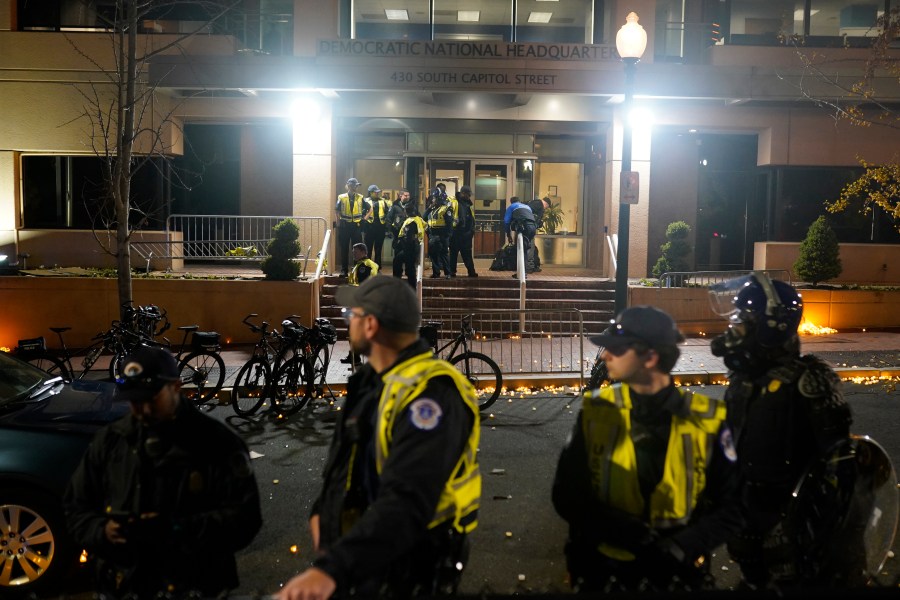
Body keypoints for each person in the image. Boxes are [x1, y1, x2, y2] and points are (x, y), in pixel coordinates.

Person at [276, 275, 481, 600]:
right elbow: (348, 461)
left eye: (351, 315)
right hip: (361, 556)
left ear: (370, 325)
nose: (348, 323)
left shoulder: (432, 394)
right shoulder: (370, 381)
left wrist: (333, 569)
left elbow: (408, 500)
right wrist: (323, 513)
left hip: (411, 566)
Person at [552, 305, 741, 593]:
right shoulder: (597, 410)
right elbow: (566, 493)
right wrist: (620, 529)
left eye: (617, 349)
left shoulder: (709, 419)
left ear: (650, 358)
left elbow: (732, 505)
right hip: (602, 572)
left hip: (676, 575)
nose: (604, 355)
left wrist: (682, 546)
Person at [64, 346, 262, 599]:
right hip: (122, 585)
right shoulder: (111, 440)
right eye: (136, 401)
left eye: (152, 399)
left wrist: (175, 530)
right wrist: (103, 530)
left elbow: (246, 519)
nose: (144, 410)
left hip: (195, 585)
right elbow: (76, 506)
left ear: (176, 387)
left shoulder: (217, 442)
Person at [708, 272, 862, 590]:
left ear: (772, 325)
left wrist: (812, 530)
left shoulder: (810, 380)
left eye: (742, 320)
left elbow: (840, 469)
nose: (734, 329)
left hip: (792, 526)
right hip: (746, 517)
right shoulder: (742, 380)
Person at [341, 242, 380, 365]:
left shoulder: (365, 266)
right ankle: (354, 356)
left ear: (363, 252)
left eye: (356, 252)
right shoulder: (359, 265)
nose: (354, 254)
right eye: (353, 252)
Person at [335, 178, 369, 278]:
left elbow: (370, 208)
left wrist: (365, 219)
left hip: (356, 227)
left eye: (357, 185)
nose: (356, 187)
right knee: (344, 248)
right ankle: (344, 270)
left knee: (357, 249)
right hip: (345, 226)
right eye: (354, 185)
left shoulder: (360, 197)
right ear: (349, 185)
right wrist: (338, 222)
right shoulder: (341, 197)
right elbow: (337, 210)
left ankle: (356, 270)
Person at [393, 201, 426, 290]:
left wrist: (403, 247)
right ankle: (411, 288)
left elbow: (408, 237)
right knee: (409, 267)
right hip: (416, 245)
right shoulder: (418, 219)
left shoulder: (410, 221)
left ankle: (399, 285)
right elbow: (425, 227)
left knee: (404, 266)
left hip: (409, 247)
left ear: (406, 211)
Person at [424, 186, 454, 279]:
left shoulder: (446, 209)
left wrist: (448, 236)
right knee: (433, 255)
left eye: (434, 198)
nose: (433, 200)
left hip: (442, 235)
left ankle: (448, 273)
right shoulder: (432, 209)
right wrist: (429, 208)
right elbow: (424, 217)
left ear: (439, 198)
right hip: (432, 235)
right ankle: (436, 273)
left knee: (444, 254)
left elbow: (449, 223)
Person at [448, 185, 478, 278]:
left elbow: (471, 218)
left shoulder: (469, 204)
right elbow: (449, 216)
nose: (469, 196)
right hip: (456, 232)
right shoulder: (454, 202)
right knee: (453, 253)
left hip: (466, 233)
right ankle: (451, 272)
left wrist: (471, 230)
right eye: (468, 194)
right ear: (463, 193)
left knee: (467, 254)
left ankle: (471, 272)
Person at [503, 196, 537, 275]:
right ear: (519, 201)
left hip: (523, 227)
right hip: (533, 227)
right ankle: (524, 270)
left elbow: (506, 221)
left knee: (521, 249)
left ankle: (522, 273)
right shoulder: (527, 207)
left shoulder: (512, 206)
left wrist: (508, 234)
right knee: (526, 249)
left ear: (511, 202)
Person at [364, 184, 390, 267]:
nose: (377, 193)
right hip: (369, 227)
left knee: (378, 248)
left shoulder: (382, 201)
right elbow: (362, 213)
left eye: (378, 192)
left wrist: (386, 224)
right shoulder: (365, 201)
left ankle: (377, 266)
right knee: (368, 248)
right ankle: (368, 266)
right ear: (371, 192)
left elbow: (387, 212)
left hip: (380, 227)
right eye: (375, 192)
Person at [527, 197, 549, 272]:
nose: (545, 209)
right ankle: (529, 267)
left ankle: (530, 266)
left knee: (529, 248)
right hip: (529, 229)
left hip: (523, 228)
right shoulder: (540, 206)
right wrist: (539, 224)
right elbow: (537, 221)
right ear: (546, 204)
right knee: (531, 248)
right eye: (547, 207)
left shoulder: (532, 203)